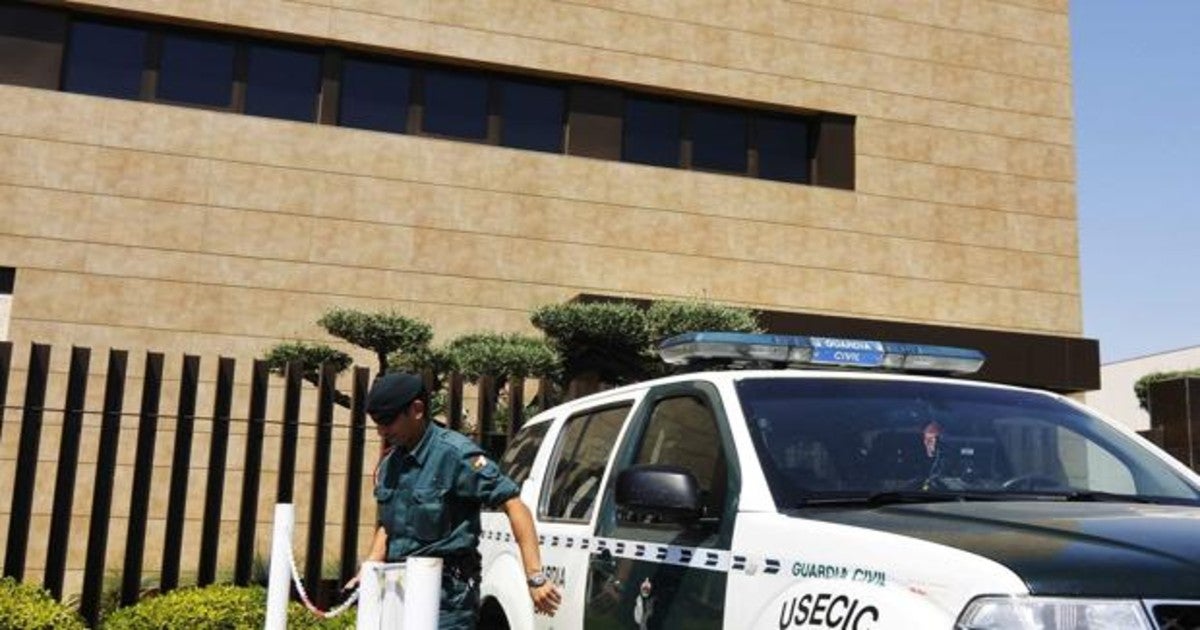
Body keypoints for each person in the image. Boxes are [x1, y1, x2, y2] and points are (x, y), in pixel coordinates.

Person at [351, 372, 561, 629]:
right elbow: (390, 523)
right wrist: (372, 565)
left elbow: (514, 504)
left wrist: (535, 576)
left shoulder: (456, 455)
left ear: (416, 410)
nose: (381, 430)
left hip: (447, 599)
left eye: (388, 421)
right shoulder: (392, 463)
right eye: (376, 422)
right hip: (399, 591)